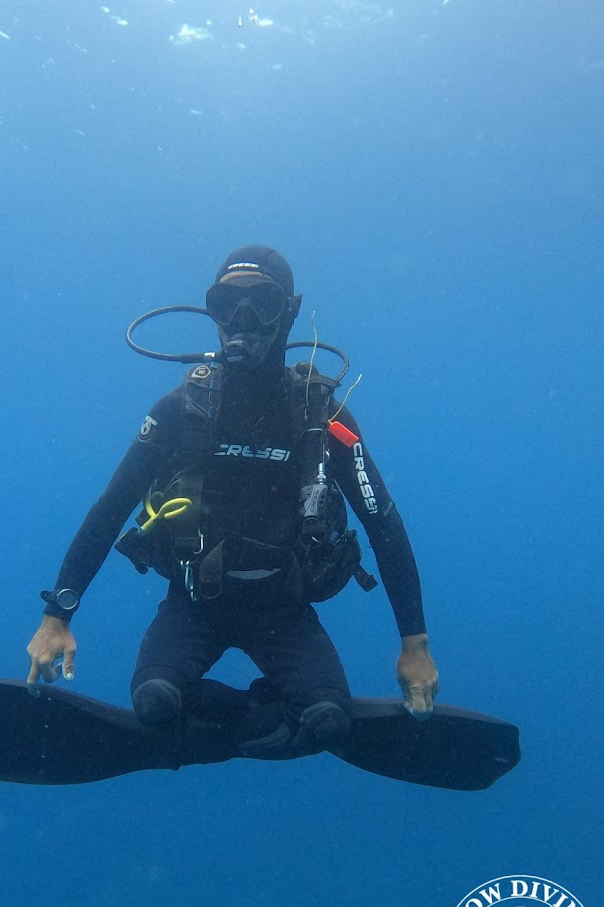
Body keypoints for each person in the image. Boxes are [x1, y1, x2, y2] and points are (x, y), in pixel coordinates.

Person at [26, 245, 438, 758]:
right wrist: (58, 614)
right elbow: (111, 508)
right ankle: (250, 721)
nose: (242, 320)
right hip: (195, 603)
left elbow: (382, 522)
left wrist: (414, 644)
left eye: (262, 301)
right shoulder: (181, 409)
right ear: (212, 312)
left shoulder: (323, 418)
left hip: (284, 609)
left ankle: (225, 726)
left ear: (290, 310)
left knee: (329, 722)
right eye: (226, 303)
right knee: (153, 699)